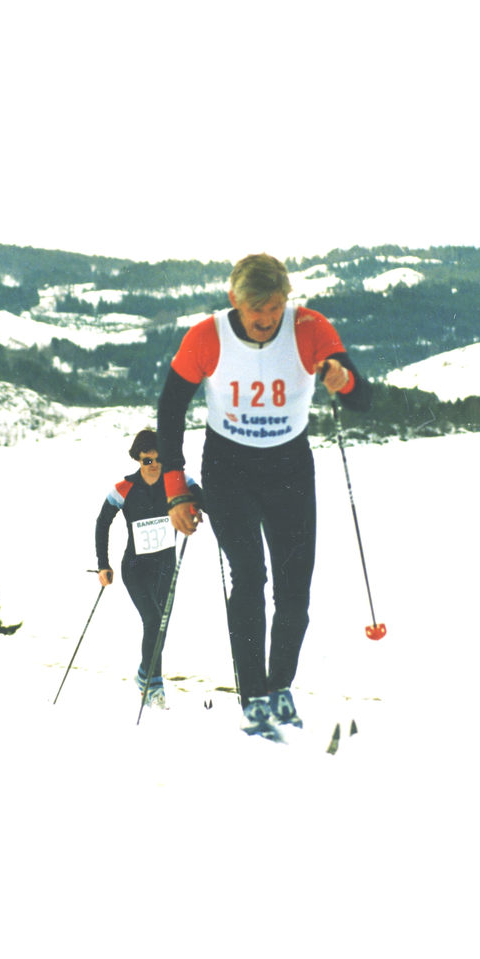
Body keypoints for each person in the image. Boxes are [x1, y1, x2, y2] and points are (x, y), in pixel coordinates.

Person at [157, 253, 372, 739]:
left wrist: (345, 378)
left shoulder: (311, 327)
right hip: (229, 468)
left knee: (295, 589)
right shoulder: (206, 336)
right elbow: (170, 411)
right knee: (249, 574)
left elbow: (362, 396)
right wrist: (176, 490)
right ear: (234, 299)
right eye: (256, 308)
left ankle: (280, 690)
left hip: (289, 467)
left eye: (275, 308)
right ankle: (254, 700)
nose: (265, 319)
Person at [95, 428, 202, 708]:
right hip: (135, 568)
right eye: (146, 460)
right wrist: (102, 565)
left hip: (166, 566)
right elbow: (102, 523)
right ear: (137, 460)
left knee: (159, 626)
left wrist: (196, 507)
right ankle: (154, 687)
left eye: (158, 459)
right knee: (154, 621)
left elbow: (205, 502)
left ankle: (145, 676)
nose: (153, 465)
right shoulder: (124, 488)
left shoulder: (180, 482)